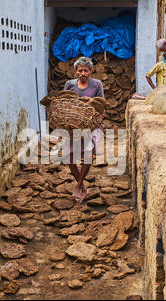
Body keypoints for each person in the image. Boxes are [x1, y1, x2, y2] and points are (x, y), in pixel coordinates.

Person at [63, 56, 105, 203]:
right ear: (75, 72)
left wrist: (98, 119)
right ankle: (82, 186)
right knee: (69, 157)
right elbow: (64, 104)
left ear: (91, 71)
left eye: (86, 70)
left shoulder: (96, 85)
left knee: (87, 155)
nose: (83, 73)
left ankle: (78, 186)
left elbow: (101, 105)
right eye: (80, 70)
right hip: (73, 126)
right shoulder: (69, 85)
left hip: (91, 126)